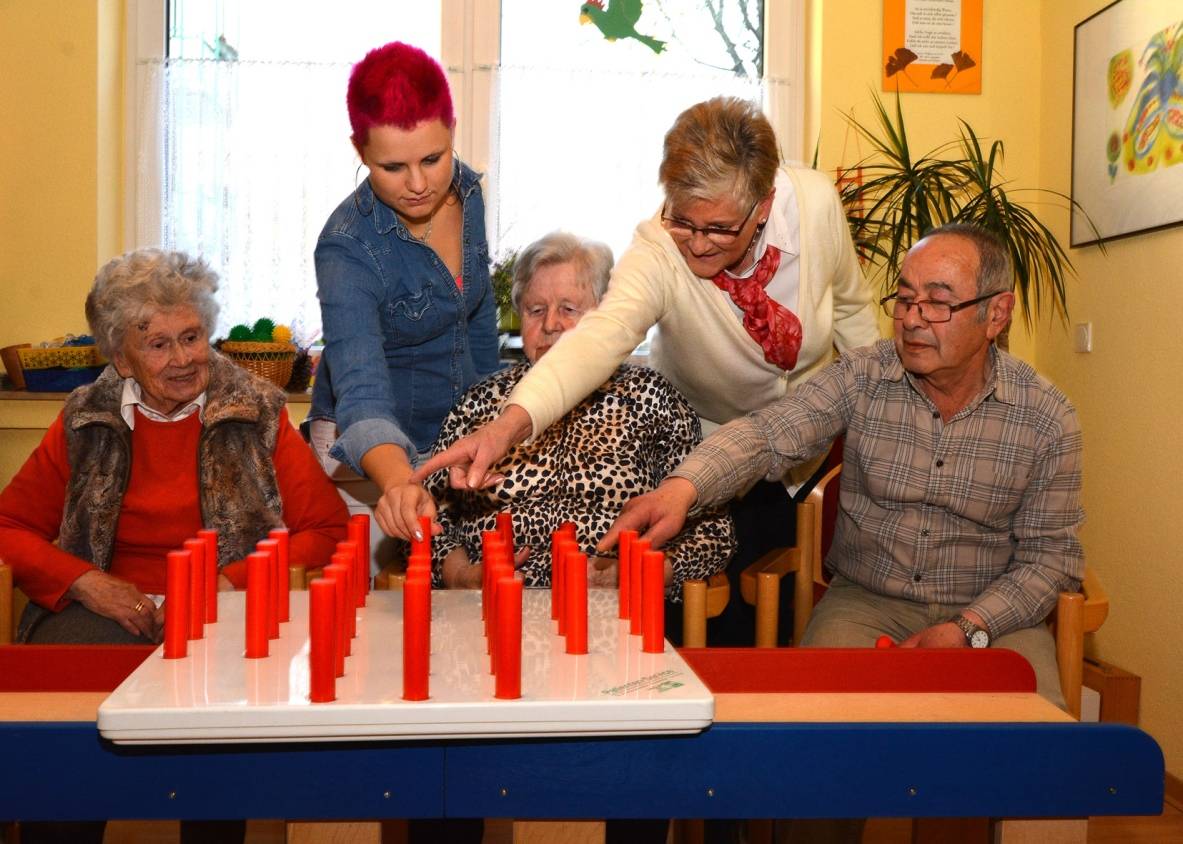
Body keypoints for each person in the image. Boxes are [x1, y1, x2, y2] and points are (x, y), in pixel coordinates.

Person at [416, 95, 878, 642]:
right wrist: (506, 426)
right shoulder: (659, 248)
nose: (698, 243)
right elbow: (597, 340)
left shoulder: (816, 205)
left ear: (763, 204)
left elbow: (851, 308)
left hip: (812, 442)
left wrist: (879, 414)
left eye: (719, 228)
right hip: (714, 448)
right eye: (684, 219)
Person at [602, 223, 1083, 708]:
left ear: (996, 314)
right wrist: (681, 489)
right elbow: (768, 434)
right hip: (865, 605)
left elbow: (1050, 560)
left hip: (991, 618)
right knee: (819, 723)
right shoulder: (862, 375)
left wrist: (969, 629)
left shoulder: (1047, 417)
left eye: (938, 302)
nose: (913, 319)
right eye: (904, 297)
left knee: (1036, 741)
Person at [0, 248, 349, 844]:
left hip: (223, 615)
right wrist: (87, 583)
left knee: (213, 731)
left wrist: (227, 583)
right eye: (158, 344)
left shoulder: (254, 410)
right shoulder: (85, 416)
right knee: (62, 760)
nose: (184, 358)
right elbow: (10, 525)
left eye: (192, 336)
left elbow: (328, 531)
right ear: (120, 356)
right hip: (103, 610)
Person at [422, 232, 735, 609]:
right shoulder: (481, 405)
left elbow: (714, 530)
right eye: (536, 310)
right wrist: (461, 578)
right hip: (495, 612)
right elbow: (427, 518)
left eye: (569, 309)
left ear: (607, 317)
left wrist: (646, 571)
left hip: (619, 617)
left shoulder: (652, 398)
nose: (551, 324)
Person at [305, 41, 500, 555]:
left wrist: (491, 426)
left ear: (452, 130)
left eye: (433, 159)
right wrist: (398, 483)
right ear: (359, 149)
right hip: (376, 450)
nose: (418, 185)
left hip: (456, 433)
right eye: (392, 167)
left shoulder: (470, 193)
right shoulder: (346, 246)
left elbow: (478, 320)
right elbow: (361, 390)